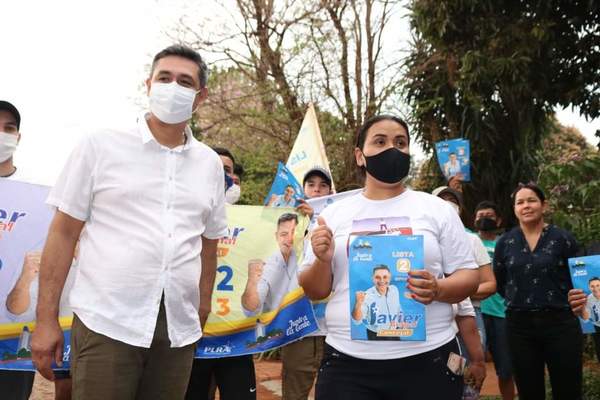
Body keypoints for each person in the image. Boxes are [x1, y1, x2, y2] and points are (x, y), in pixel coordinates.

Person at [30, 45, 228, 400]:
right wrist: (45, 320)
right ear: (148, 84)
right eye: (164, 78)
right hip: (108, 320)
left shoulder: (210, 164)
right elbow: (63, 233)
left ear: (200, 97)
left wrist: (201, 308)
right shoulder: (100, 146)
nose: (172, 87)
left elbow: (208, 245)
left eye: (185, 82)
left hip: (177, 331)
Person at [299, 115, 479, 399]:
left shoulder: (437, 209)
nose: (392, 149)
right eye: (380, 141)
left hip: (429, 360)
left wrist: (438, 289)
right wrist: (322, 258)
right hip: (348, 365)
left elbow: (470, 276)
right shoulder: (333, 215)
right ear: (360, 155)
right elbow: (315, 290)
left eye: (400, 143)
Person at [494, 182, 582, 400]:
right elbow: (501, 280)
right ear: (514, 209)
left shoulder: (563, 239)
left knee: (568, 389)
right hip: (519, 327)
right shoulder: (505, 242)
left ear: (544, 205)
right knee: (528, 390)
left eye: (531, 200)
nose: (526, 206)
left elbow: (579, 278)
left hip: (561, 323)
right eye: (520, 202)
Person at [186, 147, 257, 400]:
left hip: (235, 337)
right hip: (192, 335)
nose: (220, 175)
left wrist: (300, 220)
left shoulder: (255, 222)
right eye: (214, 168)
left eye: (226, 170)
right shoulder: (184, 217)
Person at [280, 166, 333, 400]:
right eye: (311, 185)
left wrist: (315, 221)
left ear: (331, 191)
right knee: (294, 394)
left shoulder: (340, 223)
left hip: (334, 330)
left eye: (323, 186)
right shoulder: (286, 224)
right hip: (299, 327)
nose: (317, 190)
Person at [0, 100, 36, 400]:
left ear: (18, 137)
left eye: (8, 128)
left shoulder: (37, 197)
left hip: (13, 340)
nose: (2, 134)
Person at [475, 201, 515, 400]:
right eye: (480, 215)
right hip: (473, 311)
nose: (484, 219)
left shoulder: (506, 244)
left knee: (506, 368)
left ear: (498, 220)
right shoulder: (468, 240)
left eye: (489, 215)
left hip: (501, 313)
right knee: (471, 364)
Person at [242, 213, 299, 314]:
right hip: (278, 326)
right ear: (276, 236)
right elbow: (251, 309)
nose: (289, 239)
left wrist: (310, 218)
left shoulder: (305, 254)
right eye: (284, 234)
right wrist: (252, 281)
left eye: (293, 233)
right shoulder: (267, 266)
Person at [351, 265, 402, 341]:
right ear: (373, 279)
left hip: (395, 332)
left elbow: (397, 308)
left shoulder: (394, 290)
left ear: (389, 277)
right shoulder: (366, 296)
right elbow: (357, 321)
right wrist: (358, 303)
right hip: (376, 335)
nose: (382, 280)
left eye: (385, 277)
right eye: (378, 277)